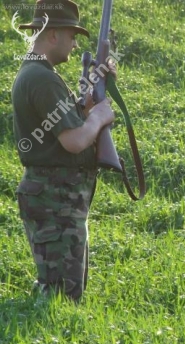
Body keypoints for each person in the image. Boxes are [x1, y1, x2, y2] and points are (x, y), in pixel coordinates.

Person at [11, 0, 115, 302]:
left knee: (59, 291)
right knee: (61, 297)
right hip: (55, 199)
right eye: (71, 35)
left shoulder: (38, 74)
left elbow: (70, 122)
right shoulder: (42, 79)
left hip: (55, 198)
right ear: (53, 34)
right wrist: (99, 116)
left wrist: (95, 94)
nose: (73, 44)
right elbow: (74, 140)